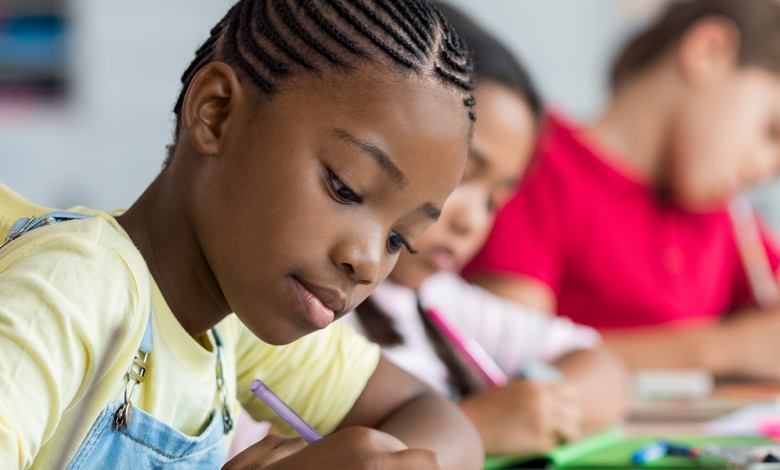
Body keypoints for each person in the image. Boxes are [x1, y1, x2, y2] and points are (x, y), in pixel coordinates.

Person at [0, 1, 486, 469]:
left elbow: (440, 421)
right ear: (217, 112)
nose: (369, 263)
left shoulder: (228, 322)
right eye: (345, 188)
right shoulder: (77, 291)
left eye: (399, 239)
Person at [339, 3, 627, 456]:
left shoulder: (437, 302)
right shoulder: (319, 305)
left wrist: (535, 399)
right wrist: (478, 425)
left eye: (495, 198)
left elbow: (603, 367)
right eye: (464, 176)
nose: (473, 220)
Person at [462, 0, 780, 379]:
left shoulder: (721, 216)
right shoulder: (535, 162)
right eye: (771, 131)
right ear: (709, 52)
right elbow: (510, 357)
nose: (766, 168)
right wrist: (724, 350)